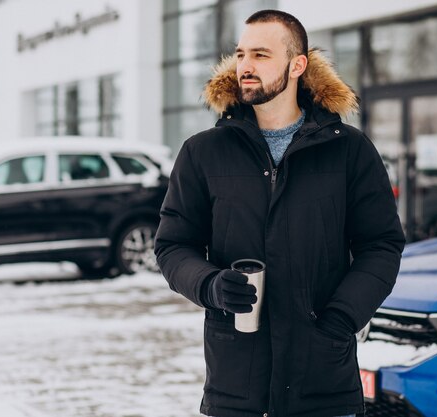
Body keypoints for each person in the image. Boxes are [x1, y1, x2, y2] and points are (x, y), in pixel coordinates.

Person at [154, 9, 405, 417]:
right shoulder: (202, 153)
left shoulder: (348, 150)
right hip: (237, 386)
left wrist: (341, 319)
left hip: (324, 383)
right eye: (240, 54)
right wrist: (211, 285)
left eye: (261, 55)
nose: (245, 67)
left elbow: (382, 245)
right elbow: (172, 246)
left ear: (297, 65)